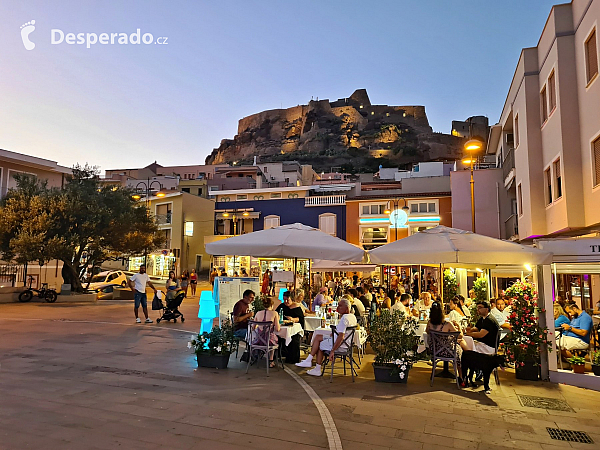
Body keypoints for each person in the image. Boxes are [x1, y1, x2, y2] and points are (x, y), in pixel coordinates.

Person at [296, 299, 357, 376]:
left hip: (339, 345)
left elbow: (341, 337)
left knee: (319, 345)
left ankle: (317, 369)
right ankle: (309, 360)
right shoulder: (352, 317)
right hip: (346, 344)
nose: (338, 307)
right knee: (318, 337)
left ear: (347, 308)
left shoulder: (344, 318)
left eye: (340, 306)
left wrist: (333, 350)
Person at [276, 291, 305, 363]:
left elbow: (300, 319)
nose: (286, 302)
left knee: (294, 339)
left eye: (287, 300)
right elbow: (276, 314)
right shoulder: (282, 306)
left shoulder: (297, 307)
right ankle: (279, 354)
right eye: (284, 300)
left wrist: (292, 319)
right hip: (283, 326)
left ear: (291, 299)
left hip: (294, 327)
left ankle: (292, 358)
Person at [252, 295, 281, 368]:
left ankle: (258, 358)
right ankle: (271, 360)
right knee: (273, 338)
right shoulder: (274, 313)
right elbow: (277, 329)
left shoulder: (258, 313)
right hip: (269, 341)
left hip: (258, 341)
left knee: (269, 337)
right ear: (272, 305)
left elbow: (253, 327)